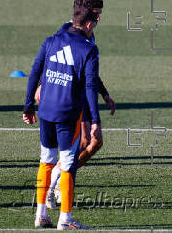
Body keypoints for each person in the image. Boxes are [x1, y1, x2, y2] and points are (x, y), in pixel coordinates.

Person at [23, 0, 104, 230]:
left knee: (46, 161)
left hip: (45, 111)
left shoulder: (50, 40)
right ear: (89, 23)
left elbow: (35, 71)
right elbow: (89, 86)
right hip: (68, 115)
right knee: (67, 165)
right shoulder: (88, 50)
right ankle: (65, 219)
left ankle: (41, 215)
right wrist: (94, 119)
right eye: (97, 21)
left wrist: (28, 104)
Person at [35, 21, 116, 210]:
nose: (98, 18)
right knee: (82, 142)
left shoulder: (89, 35)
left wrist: (104, 93)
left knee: (95, 143)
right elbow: (53, 60)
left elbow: (90, 72)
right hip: (72, 97)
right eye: (96, 13)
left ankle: (58, 179)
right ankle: (55, 187)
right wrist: (41, 83)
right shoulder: (67, 30)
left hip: (85, 94)